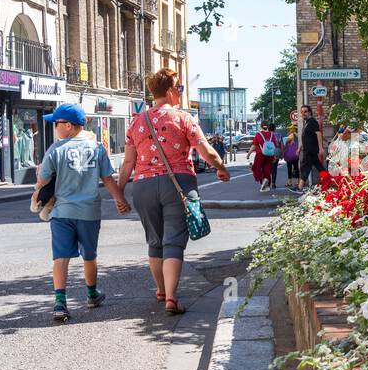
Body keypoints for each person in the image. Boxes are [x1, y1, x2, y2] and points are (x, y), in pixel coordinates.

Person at [118, 68, 229, 315]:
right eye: (179, 88)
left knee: (155, 241)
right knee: (174, 242)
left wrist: (120, 190)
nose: (180, 92)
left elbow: (127, 163)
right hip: (178, 183)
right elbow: (207, 152)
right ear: (169, 91)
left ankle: (160, 290)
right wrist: (221, 168)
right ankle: (171, 298)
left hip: (143, 185)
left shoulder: (136, 122)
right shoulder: (183, 118)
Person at [32, 102, 130, 324]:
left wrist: (39, 183)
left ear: (68, 125)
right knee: (89, 255)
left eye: (56, 123)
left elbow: (43, 179)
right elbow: (107, 179)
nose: (55, 127)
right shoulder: (97, 148)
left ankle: (60, 303)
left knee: (61, 257)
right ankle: (92, 294)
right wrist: (120, 200)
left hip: (61, 212)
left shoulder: (55, 149)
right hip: (89, 211)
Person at [299, 103, 325, 189]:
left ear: (310, 112)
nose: (303, 113)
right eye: (302, 112)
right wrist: (299, 148)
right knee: (319, 167)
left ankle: (300, 187)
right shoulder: (306, 123)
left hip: (311, 150)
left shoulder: (312, 122)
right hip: (308, 150)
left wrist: (321, 148)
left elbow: (318, 134)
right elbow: (305, 137)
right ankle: (328, 182)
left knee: (305, 168)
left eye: (305, 111)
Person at [251, 120, 279, 193]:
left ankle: (263, 179)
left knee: (256, 168)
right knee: (267, 169)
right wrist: (275, 156)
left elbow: (254, 146)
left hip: (260, 154)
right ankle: (266, 184)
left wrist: (248, 154)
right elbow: (275, 146)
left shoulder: (258, 134)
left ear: (260, 126)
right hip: (270, 155)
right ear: (268, 126)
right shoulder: (272, 135)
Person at [282, 122, 301, 190]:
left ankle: (289, 181)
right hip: (296, 154)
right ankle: (299, 181)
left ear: (293, 129)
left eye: (291, 129)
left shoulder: (291, 135)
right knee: (296, 168)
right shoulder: (298, 135)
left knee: (289, 168)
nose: (289, 130)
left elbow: (285, 142)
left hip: (290, 154)